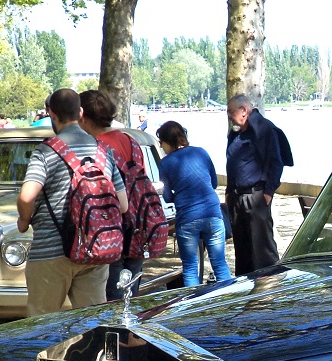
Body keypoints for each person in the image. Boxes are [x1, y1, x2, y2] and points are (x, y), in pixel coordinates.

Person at [16, 88, 128, 316]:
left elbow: (27, 195)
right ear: (80, 112)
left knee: (42, 325)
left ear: (51, 114)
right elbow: (123, 205)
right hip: (95, 250)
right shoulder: (103, 150)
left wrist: (24, 220)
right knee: (94, 322)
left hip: (51, 252)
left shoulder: (45, 151)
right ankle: (96, 353)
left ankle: (47, 354)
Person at [80, 89, 150, 300]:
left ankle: (114, 334)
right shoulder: (131, 141)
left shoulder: (96, 148)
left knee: (111, 303)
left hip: (110, 231)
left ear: (82, 115)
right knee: (130, 298)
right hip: (137, 227)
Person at [156, 120, 231, 287]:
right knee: (219, 264)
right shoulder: (201, 153)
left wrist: (181, 197)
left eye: (161, 142)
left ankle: (193, 308)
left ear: (168, 141)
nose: (161, 146)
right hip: (212, 214)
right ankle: (228, 302)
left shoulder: (165, 163)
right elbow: (213, 183)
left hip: (187, 219)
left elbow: (167, 196)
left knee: (190, 267)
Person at [225, 94, 284, 275]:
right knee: (242, 252)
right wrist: (228, 192)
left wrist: (267, 193)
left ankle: (269, 291)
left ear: (243, 111)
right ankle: (247, 294)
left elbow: (276, 163)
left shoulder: (265, 129)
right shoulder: (235, 134)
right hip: (237, 197)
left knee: (263, 251)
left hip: (256, 196)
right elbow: (232, 164)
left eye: (230, 112)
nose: (228, 115)